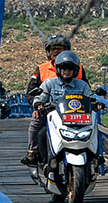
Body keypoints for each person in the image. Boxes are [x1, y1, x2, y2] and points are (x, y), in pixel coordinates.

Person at [23, 35, 87, 165]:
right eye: (53, 49)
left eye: (60, 49)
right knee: (36, 125)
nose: (56, 52)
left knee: (95, 126)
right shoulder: (42, 69)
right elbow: (31, 91)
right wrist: (37, 106)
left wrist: (94, 104)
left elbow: (87, 90)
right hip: (50, 110)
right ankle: (33, 152)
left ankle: (96, 156)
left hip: (75, 111)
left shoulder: (78, 68)